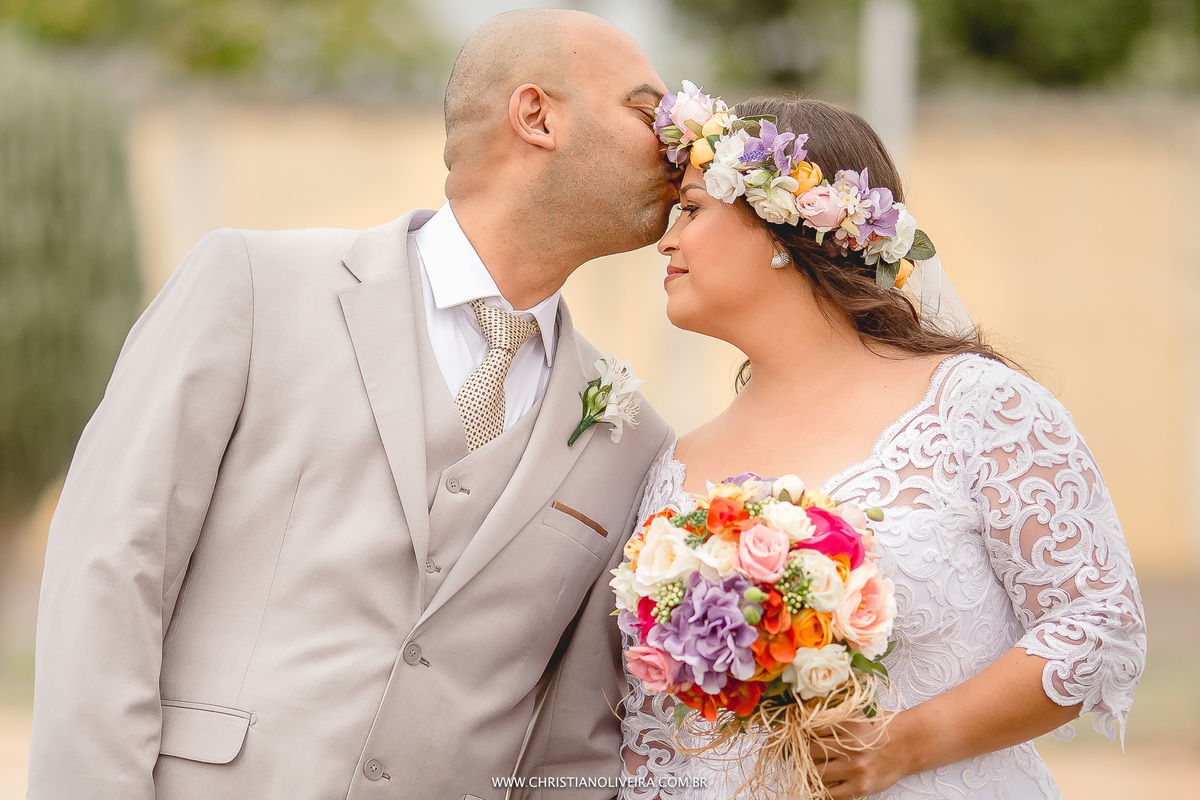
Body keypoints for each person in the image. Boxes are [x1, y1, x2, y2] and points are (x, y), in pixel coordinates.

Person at [28, 9, 676, 800]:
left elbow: (573, 746)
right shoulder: (254, 287)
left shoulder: (632, 437)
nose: (678, 144)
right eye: (649, 112)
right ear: (536, 115)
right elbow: (110, 568)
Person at [619, 95, 1146, 799]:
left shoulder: (976, 407)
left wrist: (906, 745)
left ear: (782, 224)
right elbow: (652, 735)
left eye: (690, 208)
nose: (667, 241)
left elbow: (1099, 627)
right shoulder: (672, 469)